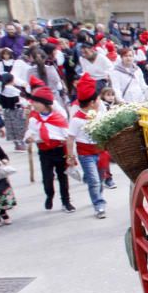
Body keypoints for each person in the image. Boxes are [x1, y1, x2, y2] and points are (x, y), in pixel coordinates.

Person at [23, 82, 74, 213]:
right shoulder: (34, 119)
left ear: (45, 104)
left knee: (63, 177)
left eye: (36, 102)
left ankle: (66, 201)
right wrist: (28, 138)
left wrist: (69, 155)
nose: (33, 105)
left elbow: (67, 137)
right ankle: (49, 195)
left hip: (58, 151)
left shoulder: (58, 118)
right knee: (47, 178)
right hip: (44, 152)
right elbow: (30, 131)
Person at [65, 74, 107, 219]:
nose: (99, 101)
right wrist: (70, 157)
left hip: (100, 151)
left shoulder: (100, 114)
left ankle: (97, 195)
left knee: (100, 179)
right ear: (91, 102)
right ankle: (98, 204)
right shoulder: (76, 119)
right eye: (98, 99)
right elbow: (70, 139)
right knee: (94, 180)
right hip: (86, 154)